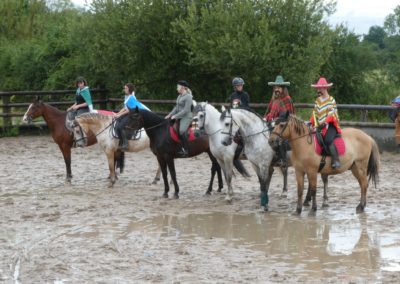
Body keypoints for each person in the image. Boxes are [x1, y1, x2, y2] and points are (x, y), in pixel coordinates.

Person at [309, 77, 341, 169]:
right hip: (319, 126)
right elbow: (314, 113)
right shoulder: (318, 100)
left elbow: (331, 115)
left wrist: (324, 124)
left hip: (331, 125)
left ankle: (336, 160)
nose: (318, 90)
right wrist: (311, 123)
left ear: (325, 88)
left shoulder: (331, 100)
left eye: (320, 88)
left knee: (328, 139)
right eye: (317, 88)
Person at [264, 75, 294, 167]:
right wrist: (265, 117)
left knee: (280, 139)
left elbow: (288, 115)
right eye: (275, 87)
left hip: (284, 124)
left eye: (279, 87)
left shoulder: (287, 99)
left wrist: (276, 120)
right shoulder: (273, 99)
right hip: (273, 122)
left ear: (283, 88)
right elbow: (269, 112)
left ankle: (282, 159)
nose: (277, 89)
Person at [114, 83, 150, 150]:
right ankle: (120, 141)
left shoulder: (131, 98)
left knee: (121, 126)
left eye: (126, 88)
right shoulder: (127, 97)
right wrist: (117, 113)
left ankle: (126, 143)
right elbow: (125, 108)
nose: (124, 89)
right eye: (124, 88)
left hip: (132, 114)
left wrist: (119, 115)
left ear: (129, 89)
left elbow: (127, 110)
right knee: (118, 121)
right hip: (129, 113)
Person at [165, 80, 193, 157]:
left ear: (182, 87)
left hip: (186, 116)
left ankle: (185, 150)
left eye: (178, 86)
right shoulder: (179, 96)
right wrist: (170, 115)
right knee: (168, 125)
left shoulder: (188, 97)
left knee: (181, 130)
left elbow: (186, 110)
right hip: (179, 115)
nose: (177, 88)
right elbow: (176, 108)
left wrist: (175, 116)